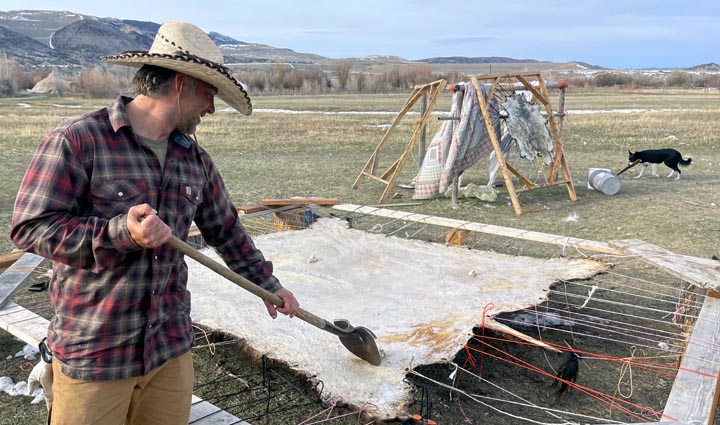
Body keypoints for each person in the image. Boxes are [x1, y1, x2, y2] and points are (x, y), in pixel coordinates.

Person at [11, 20, 299, 425]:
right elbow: (31, 227)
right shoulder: (79, 140)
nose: (211, 108)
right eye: (208, 93)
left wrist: (268, 286)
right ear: (181, 83)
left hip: (169, 349)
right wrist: (119, 232)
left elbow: (228, 232)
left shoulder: (195, 161)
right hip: (95, 351)